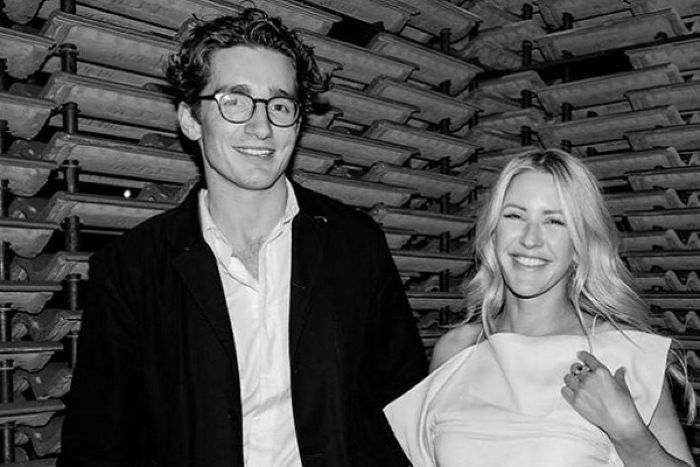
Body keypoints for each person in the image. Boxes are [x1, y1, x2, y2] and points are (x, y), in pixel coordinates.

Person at [58, 9, 427, 467]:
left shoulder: (356, 245)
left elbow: (405, 406)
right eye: (235, 100)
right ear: (191, 119)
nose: (261, 127)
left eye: (280, 105)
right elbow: (98, 444)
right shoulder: (131, 268)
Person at [384, 149, 696, 467]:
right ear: (493, 231)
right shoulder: (455, 351)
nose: (530, 239)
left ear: (579, 246)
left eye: (554, 221)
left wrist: (630, 435)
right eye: (514, 216)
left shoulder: (622, 353)